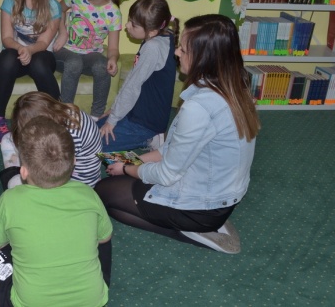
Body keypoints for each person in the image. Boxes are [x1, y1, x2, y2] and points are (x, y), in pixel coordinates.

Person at [95, 14, 260, 254]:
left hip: (202, 207)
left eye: (183, 48)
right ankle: (202, 223)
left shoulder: (200, 106)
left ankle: (191, 231)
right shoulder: (235, 86)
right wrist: (134, 161)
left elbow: (167, 174)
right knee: (122, 186)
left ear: (204, 57)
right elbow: (173, 149)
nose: (176, 52)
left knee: (104, 193)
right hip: (222, 197)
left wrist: (127, 168)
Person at [0, 116, 113, 307]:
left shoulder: (9, 200)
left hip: (30, 303)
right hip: (92, 302)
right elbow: (104, 239)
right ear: (74, 161)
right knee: (103, 233)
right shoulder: (89, 194)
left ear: (23, 171)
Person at [0, 0, 61, 145]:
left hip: (41, 56)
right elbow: (6, 38)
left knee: (38, 62)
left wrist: (30, 50)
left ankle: (58, 116)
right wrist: (21, 48)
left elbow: (43, 43)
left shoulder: (53, 6)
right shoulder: (10, 1)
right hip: (16, 56)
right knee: (7, 58)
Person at [98, 0, 179, 152]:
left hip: (144, 123)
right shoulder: (162, 35)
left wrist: (112, 120)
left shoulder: (153, 47)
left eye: (133, 25)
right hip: (136, 112)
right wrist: (114, 111)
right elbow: (133, 80)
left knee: (91, 144)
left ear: (152, 31)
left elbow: (132, 86)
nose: (127, 25)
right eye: (129, 20)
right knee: (93, 130)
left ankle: (149, 139)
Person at [53, 0, 123, 119]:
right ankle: (65, 112)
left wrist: (112, 59)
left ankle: (96, 116)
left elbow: (113, 48)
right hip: (64, 51)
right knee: (74, 62)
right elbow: (57, 10)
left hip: (90, 55)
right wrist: (62, 32)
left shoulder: (113, 13)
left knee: (102, 66)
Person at [0, 91, 102, 190]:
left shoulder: (68, 136)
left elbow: (50, 172)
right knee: (8, 139)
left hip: (73, 184)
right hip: (63, 167)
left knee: (13, 183)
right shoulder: (63, 116)